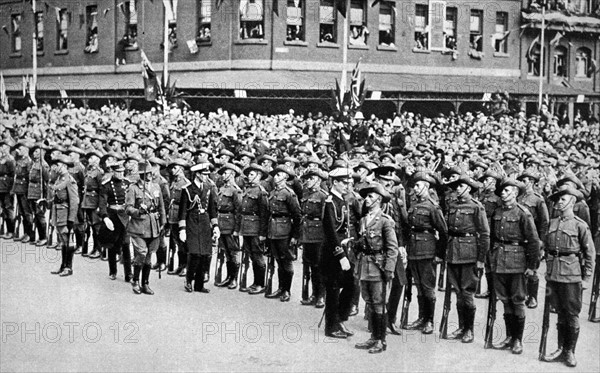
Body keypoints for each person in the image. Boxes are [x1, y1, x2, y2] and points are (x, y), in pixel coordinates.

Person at [541, 185, 595, 367]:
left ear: (572, 201)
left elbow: (589, 254)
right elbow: (547, 248)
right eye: (558, 199)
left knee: (571, 314)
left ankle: (570, 351)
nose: (558, 202)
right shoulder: (553, 222)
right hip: (553, 275)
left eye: (562, 199)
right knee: (559, 314)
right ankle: (560, 348)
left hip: (571, 275)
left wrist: (586, 279)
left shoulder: (580, 225)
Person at [490, 178, 540, 354]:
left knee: (517, 300)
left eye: (507, 190)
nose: (503, 193)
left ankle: (518, 339)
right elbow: (491, 238)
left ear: (516, 193)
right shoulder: (497, 212)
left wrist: (532, 266)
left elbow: (534, 241)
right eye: (502, 191)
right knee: (505, 300)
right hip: (499, 260)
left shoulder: (523, 213)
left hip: (517, 261)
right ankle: (510, 336)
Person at [444, 174, 490, 343]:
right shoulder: (452, 204)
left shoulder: (477, 207)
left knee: (467, 293)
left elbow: (484, 234)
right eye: (456, 186)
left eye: (460, 186)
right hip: (453, 252)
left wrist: (481, 259)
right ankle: (461, 327)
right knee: (457, 292)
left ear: (468, 188)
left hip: (469, 253)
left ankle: (469, 330)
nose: (457, 189)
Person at [354, 183, 398, 354]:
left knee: (379, 303)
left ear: (379, 200)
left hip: (378, 266)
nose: (367, 199)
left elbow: (392, 248)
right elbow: (362, 242)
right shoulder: (364, 220)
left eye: (371, 197)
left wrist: (389, 269)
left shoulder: (385, 221)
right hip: (365, 265)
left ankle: (381, 340)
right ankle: (373, 336)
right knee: (369, 301)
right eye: (366, 196)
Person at [405, 171, 448, 334]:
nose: (415, 188)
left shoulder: (433, 207)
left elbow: (443, 232)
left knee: (428, 287)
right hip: (413, 250)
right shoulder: (414, 205)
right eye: (415, 185)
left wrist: (439, 254)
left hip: (427, 250)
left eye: (417, 185)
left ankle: (429, 320)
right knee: (419, 287)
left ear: (426, 186)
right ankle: (421, 318)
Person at [321, 167, 357, 339]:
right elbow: (331, 232)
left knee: (350, 283)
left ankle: (340, 318)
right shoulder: (330, 202)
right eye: (344, 182)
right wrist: (341, 255)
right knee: (333, 288)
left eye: (348, 182)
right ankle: (331, 326)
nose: (347, 186)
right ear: (335, 182)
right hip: (332, 251)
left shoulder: (342, 200)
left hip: (344, 248)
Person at [125, 161, 166, 295]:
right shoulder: (133, 188)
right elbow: (128, 208)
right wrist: (138, 211)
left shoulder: (156, 187)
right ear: (141, 175)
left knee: (149, 255)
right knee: (141, 253)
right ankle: (135, 280)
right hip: (139, 226)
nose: (149, 176)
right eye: (146, 174)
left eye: (150, 173)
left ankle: (145, 283)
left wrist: (163, 223)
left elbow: (161, 207)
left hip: (154, 225)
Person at [179, 162, 220, 294]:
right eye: (203, 174)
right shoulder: (187, 190)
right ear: (197, 174)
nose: (206, 177)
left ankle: (199, 284)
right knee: (195, 254)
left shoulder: (208, 188)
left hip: (204, 223)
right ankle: (189, 281)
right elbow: (183, 211)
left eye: (207, 174)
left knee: (205, 255)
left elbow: (212, 209)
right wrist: (182, 229)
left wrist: (215, 226)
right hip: (191, 222)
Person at [265, 165, 301, 302]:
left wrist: (295, 236)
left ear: (286, 178)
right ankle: (280, 288)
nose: (276, 177)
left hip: (285, 230)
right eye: (275, 175)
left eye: (279, 175)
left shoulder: (289, 193)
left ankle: (287, 290)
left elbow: (297, 215)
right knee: (278, 260)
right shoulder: (273, 192)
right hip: (273, 229)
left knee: (286, 261)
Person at [517, 170, 549, 309]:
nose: (521, 184)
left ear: (530, 182)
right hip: (519, 237)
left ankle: (532, 297)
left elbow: (544, 222)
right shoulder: (517, 197)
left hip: (532, 239)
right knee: (519, 266)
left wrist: (541, 242)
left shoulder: (538, 199)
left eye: (524, 181)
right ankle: (520, 293)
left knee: (533, 269)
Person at [98, 160, 133, 282]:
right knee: (111, 245)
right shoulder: (106, 185)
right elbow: (102, 203)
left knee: (126, 245)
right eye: (118, 172)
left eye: (122, 171)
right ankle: (113, 271)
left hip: (125, 216)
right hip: (113, 216)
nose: (121, 174)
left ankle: (128, 273)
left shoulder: (128, 183)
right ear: (113, 171)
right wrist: (105, 217)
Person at [238, 163, 269, 294]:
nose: (249, 177)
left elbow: (264, 214)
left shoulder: (261, 192)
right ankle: (255, 282)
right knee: (251, 255)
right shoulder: (248, 190)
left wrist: (262, 233)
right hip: (247, 227)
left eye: (251, 174)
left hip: (256, 228)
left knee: (258, 256)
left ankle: (261, 283)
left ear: (259, 175)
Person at [299, 169, 328, 308]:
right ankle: (313, 294)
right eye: (307, 178)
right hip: (306, 233)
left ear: (318, 180)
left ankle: (321, 295)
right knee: (308, 265)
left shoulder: (323, 196)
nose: (308, 181)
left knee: (319, 267)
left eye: (311, 178)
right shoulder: (305, 194)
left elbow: (326, 218)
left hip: (318, 235)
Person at [49, 155, 79, 277]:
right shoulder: (60, 179)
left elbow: (74, 201)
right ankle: (63, 265)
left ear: (65, 166)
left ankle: (68, 267)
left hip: (66, 214)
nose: (56, 167)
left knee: (68, 241)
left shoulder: (69, 180)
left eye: (59, 165)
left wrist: (71, 219)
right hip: (58, 212)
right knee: (62, 241)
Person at [215, 163, 243, 289]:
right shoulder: (221, 188)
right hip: (221, 223)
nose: (223, 175)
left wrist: (237, 230)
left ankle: (234, 279)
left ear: (232, 174)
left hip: (230, 224)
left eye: (226, 173)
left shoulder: (236, 190)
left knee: (234, 252)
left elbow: (238, 211)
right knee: (226, 252)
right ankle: (228, 277)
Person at [166, 159, 191, 276]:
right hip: (172, 214)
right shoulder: (174, 182)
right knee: (176, 241)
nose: (172, 170)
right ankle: (181, 265)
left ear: (181, 169)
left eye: (175, 168)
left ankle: (186, 266)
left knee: (183, 242)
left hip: (180, 215)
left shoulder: (186, 183)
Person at [80, 150, 104, 257]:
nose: (89, 160)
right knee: (89, 226)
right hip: (87, 201)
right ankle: (92, 248)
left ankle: (98, 249)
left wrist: (100, 206)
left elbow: (101, 190)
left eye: (92, 158)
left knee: (96, 227)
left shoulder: (99, 173)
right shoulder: (88, 171)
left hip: (94, 203)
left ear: (97, 160)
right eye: (89, 158)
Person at [0, 140, 16, 238]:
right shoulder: (1, 158)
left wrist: (12, 189)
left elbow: (13, 175)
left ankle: (11, 231)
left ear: (9, 148)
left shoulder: (10, 159)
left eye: (5, 147)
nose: (2, 149)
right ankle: (5, 229)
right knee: (3, 209)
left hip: (7, 187)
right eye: (1, 147)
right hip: (0, 186)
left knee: (8, 208)